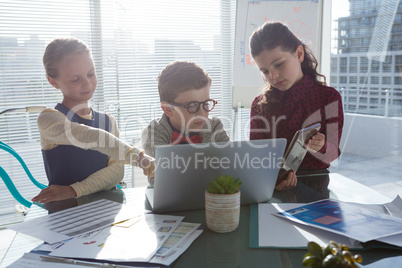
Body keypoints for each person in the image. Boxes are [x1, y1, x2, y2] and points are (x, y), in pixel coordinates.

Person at [32, 38, 154, 204]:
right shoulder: (49, 119)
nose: (88, 83)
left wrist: (74, 190)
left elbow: (117, 172)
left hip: (107, 209)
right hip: (66, 213)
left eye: (91, 74)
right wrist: (137, 157)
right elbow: (92, 137)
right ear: (53, 81)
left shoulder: (108, 121)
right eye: (76, 79)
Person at [248, 22, 344, 191]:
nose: (273, 76)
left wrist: (321, 145)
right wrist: (274, 181)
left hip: (316, 188)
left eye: (278, 64)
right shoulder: (259, 105)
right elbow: (257, 160)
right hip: (272, 187)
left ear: (299, 54)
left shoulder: (328, 97)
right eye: (265, 71)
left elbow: (332, 155)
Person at [141, 61, 230, 185]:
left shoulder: (214, 126)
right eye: (192, 106)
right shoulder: (154, 132)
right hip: (169, 200)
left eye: (206, 104)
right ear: (168, 109)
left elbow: (230, 165)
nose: (202, 114)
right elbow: (165, 173)